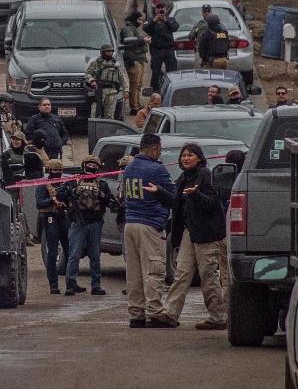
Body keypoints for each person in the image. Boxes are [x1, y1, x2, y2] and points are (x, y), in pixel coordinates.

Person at [153, 143, 227, 330]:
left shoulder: (205, 175)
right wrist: (160, 193)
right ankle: (170, 313)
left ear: (199, 158)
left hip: (207, 234)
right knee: (181, 274)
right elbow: (176, 202)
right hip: (189, 232)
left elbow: (213, 204)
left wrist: (196, 195)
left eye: (190, 155)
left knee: (208, 277)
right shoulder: (183, 178)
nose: (186, 158)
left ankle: (217, 317)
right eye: (184, 155)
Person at [119, 133, 175, 327]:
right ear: (153, 149)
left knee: (134, 273)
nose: (159, 154)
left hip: (130, 223)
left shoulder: (129, 168)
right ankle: (155, 312)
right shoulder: (156, 170)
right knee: (153, 270)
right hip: (150, 224)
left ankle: (136, 314)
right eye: (159, 150)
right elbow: (172, 194)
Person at [60, 154, 115, 296]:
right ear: (83, 166)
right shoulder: (73, 182)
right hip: (78, 223)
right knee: (74, 255)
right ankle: (70, 284)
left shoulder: (102, 184)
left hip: (95, 223)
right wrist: (73, 192)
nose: (91, 167)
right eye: (89, 164)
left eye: (94, 165)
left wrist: (101, 195)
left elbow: (111, 201)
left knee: (95, 256)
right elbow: (60, 196)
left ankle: (96, 286)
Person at [37, 159, 70, 293]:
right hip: (50, 218)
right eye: (55, 171)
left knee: (69, 250)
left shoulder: (65, 184)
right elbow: (39, 203)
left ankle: (71, 282)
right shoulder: (43, 185)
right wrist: (52, 200)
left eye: (59, 171)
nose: (57, 173)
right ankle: (53, 284)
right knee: (53, 252)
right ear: (49, 171)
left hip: (63, 218)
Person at [85, 44, 128, 119]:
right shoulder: (96, 63)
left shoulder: (115, 64)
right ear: (103, 52)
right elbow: (88, 74)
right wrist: (92, 81)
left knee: (109, 115)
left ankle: (107, 130)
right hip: (99, 90)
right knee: (95, 113)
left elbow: (122, 77)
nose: (110, 53)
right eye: (107, 51)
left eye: (111, 51)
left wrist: (126, 90)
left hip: (112, 92)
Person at [142, 4, 179, 91]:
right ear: (155, 10)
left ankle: (172, 89)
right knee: (156, 72)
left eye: (162, 8)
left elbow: (175, 28)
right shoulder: (151, 20)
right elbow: (146, 29)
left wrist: (165, 21)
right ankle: (154, 91)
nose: (160, 10)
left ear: (165, 9)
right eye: (158, 8)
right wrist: (154, 21)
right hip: (156, 50)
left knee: (172, 71)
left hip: (168, 49)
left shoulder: (170, 19)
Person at [119, 11, 149, 113]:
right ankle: (134, 106)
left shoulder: (134, 29)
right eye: (139, 20)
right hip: (133, 59)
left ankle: (138, 103)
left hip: (139, 59)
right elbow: (130, 42)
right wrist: (143, 41)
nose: (140, 22)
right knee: (134, 84)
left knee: (139, 84)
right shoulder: (128, 29)